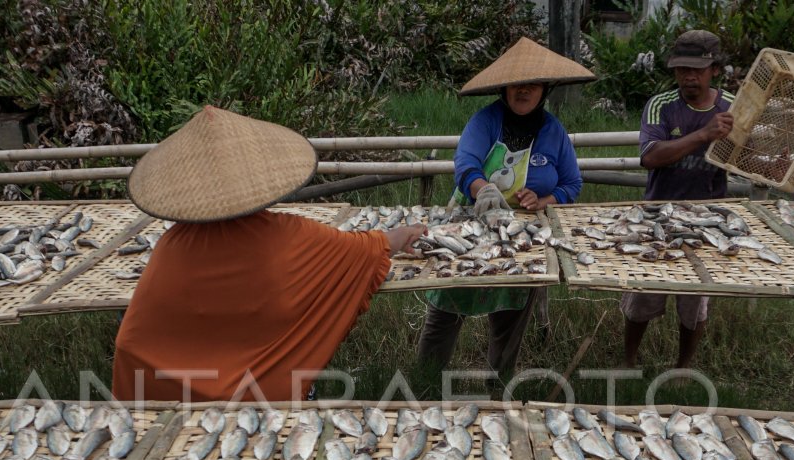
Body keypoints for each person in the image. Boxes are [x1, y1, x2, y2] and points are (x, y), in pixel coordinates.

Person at [112, 106, 425, 403]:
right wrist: (400, 236)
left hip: (180, 400)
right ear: (259, 176)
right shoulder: (292, 235)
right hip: (264, 400)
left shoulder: (172, 247)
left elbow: (131, 341)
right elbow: (365, 250)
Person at [416, 38, 593, 391]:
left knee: (512, 311)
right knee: (448, 302)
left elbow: (572, 183)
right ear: (505, 87)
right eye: (517, 83)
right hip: (469, 227)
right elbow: (465, 164)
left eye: (532, 83)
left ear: (545, 89)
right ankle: (424, 383)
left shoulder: (554, 132)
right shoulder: (486, 121)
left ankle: (498, 387)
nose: (524, 90)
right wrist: (484, 189)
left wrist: (546, 199)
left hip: (523, 238)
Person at [621, 29, 735, 369]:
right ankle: (628, 361)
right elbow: (651, 156)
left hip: (707, 215)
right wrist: (703, 134)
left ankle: (683, 368)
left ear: (714, 69)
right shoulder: (662, 106)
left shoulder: (732, 106)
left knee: (695, 301)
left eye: (697, 70)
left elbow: (749, 157)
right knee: (643, 293)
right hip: (657, 213)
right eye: (681, 69)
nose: (688, 76)